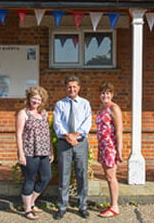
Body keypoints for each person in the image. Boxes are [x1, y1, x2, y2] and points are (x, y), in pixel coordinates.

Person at [53, 76, 92, 219]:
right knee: (64, 175)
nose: (72, 89)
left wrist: (76, 136)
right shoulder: (60, 104)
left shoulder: (85, 104)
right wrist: (68, 136)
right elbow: (57, 123)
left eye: (74, 87)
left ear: (79, 88)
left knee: (82, 174)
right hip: (64, 142)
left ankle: (83, 206)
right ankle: (62, 206)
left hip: (80, 143)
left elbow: (87, 122)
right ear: (65, 88)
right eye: (69, 87)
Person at [15, 86, 54, 220]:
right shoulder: (23, 113)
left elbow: (47, 133)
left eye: (39, 99)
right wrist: (21, 154)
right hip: (29, 152)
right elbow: (19, 135)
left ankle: (31, 203)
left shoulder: (44, 113)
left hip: (44, 152)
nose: (36, 101)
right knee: (30, 179)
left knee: (46, 177)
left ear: (42, 101)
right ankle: (27, 209)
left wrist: (51, 151)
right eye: (34, 98)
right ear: (29, 98)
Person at [96, 82, 123, 218]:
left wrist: (119, 149)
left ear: (111, 95)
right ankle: (112, 203)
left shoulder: (114, 108)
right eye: (103, 93)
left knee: (111, 176)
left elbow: (118, 130)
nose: (105, 96)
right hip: (102, 146)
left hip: (110, 147)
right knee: (108, 176)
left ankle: (114, 207)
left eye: (107, 93)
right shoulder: (101, 108)